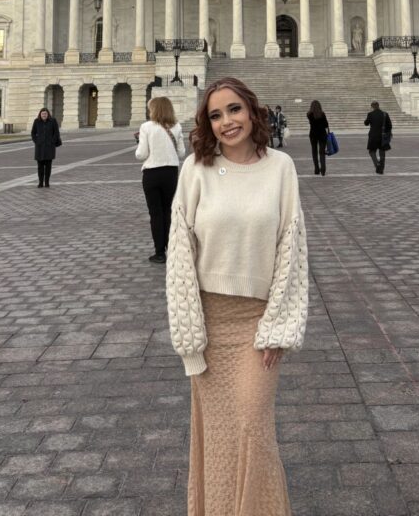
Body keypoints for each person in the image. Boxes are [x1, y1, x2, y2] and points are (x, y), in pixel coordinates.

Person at [166, 77, 308, 515]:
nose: (227, 121)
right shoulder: (195, 169)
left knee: (252, 428)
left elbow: (292, 247)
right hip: (209, 320)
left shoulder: (280, 167)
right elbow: (179, 254)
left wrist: (279, 326)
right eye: (216, 114)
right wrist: (190, 339)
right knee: (220, 438)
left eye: (234, 110)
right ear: (207, 124)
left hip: (257, 322)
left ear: (252, 110)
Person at [135, 96, 186, 265]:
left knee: (155, 213)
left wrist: (139, 142)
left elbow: (141, 154)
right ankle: (171, 248)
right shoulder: (177, 126)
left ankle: (159, 252)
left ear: (154, 109)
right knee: (168, 212)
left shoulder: (146, 127)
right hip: (170, 173)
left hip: (152, 173)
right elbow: (181, 154)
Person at [30, 107, 61, 188]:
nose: (44, 115)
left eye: (45, 114)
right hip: (39, 147)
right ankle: (40, 182)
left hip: (49, 147)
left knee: (48, 166)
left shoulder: (53, 121)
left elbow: (56, 133)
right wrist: (36, 141)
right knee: (40, 167)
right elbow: (33, 133)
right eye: (42, 114)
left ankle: (47, 182)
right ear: (40, 114)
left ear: (48, 114)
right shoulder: (36, 121)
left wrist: (52, 141)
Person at [365, 100, 392, 174]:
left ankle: (377, 164)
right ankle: (381, 169)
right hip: (383, 136)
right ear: (378, 105)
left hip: (373, 136)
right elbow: (389, 126)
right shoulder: (385, 114)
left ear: (372, 106)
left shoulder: (370, 114)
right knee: (382, 152)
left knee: (371, 151)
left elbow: (366, 123)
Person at [307, 99, 329, 175]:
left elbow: (311, 123)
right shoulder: (322, 114)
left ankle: (316, 169)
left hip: (313, 135)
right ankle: (323, 169)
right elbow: (326, 125)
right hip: (322, 134)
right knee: (322, 152)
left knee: (314, 152)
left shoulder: (309, 114)